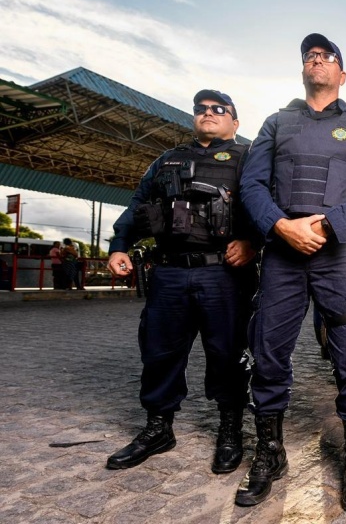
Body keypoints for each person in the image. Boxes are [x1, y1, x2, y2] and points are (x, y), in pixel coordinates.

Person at [237, 33, 346, 512]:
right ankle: (270, 450)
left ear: (341, 75)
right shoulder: (276, 122)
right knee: (269, 352)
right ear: (302, 70)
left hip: (339, 253)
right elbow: (251, 183)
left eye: (327, 56)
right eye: (310, 55)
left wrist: (329, 223)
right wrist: (281, 226)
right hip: (284, 253)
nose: (316, 60)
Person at [104, 90, 258, 475]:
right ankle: (159, 428)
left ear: (234, 122)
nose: (209, 113)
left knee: (227, 352)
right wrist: (119, 246)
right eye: (201, 109)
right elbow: (137, 205)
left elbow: (267, 206)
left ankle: (230, 427)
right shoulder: (166, 160)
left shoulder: (251, 158)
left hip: (222, 272)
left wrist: (254, 242)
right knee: (160, 352)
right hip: (169, 272)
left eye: (219, 109)